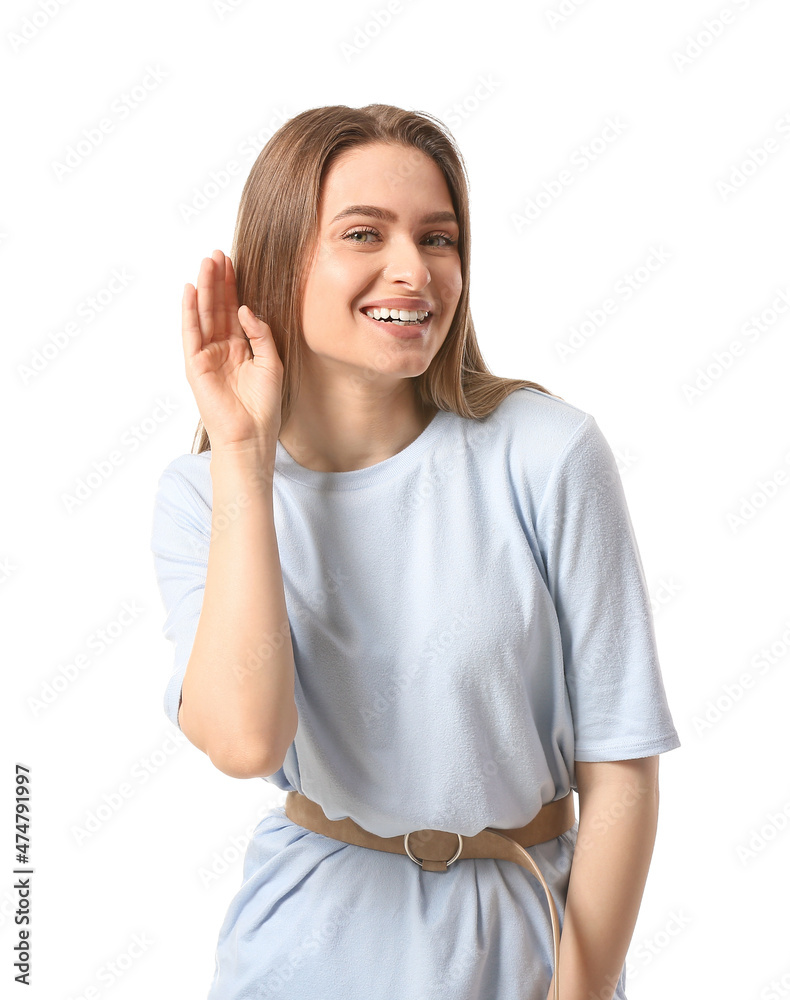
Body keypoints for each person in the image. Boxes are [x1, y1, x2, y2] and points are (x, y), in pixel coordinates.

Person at [150, 103, 681, 1000]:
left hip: (527, 946)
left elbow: (622, 765)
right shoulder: (203, 494)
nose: (415, 270)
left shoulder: (546, 452)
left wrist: (580, 993)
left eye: (439, 238)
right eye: (365, 233)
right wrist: (245, 458)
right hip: (303, 949)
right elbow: (245, 740)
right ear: (282, 262)